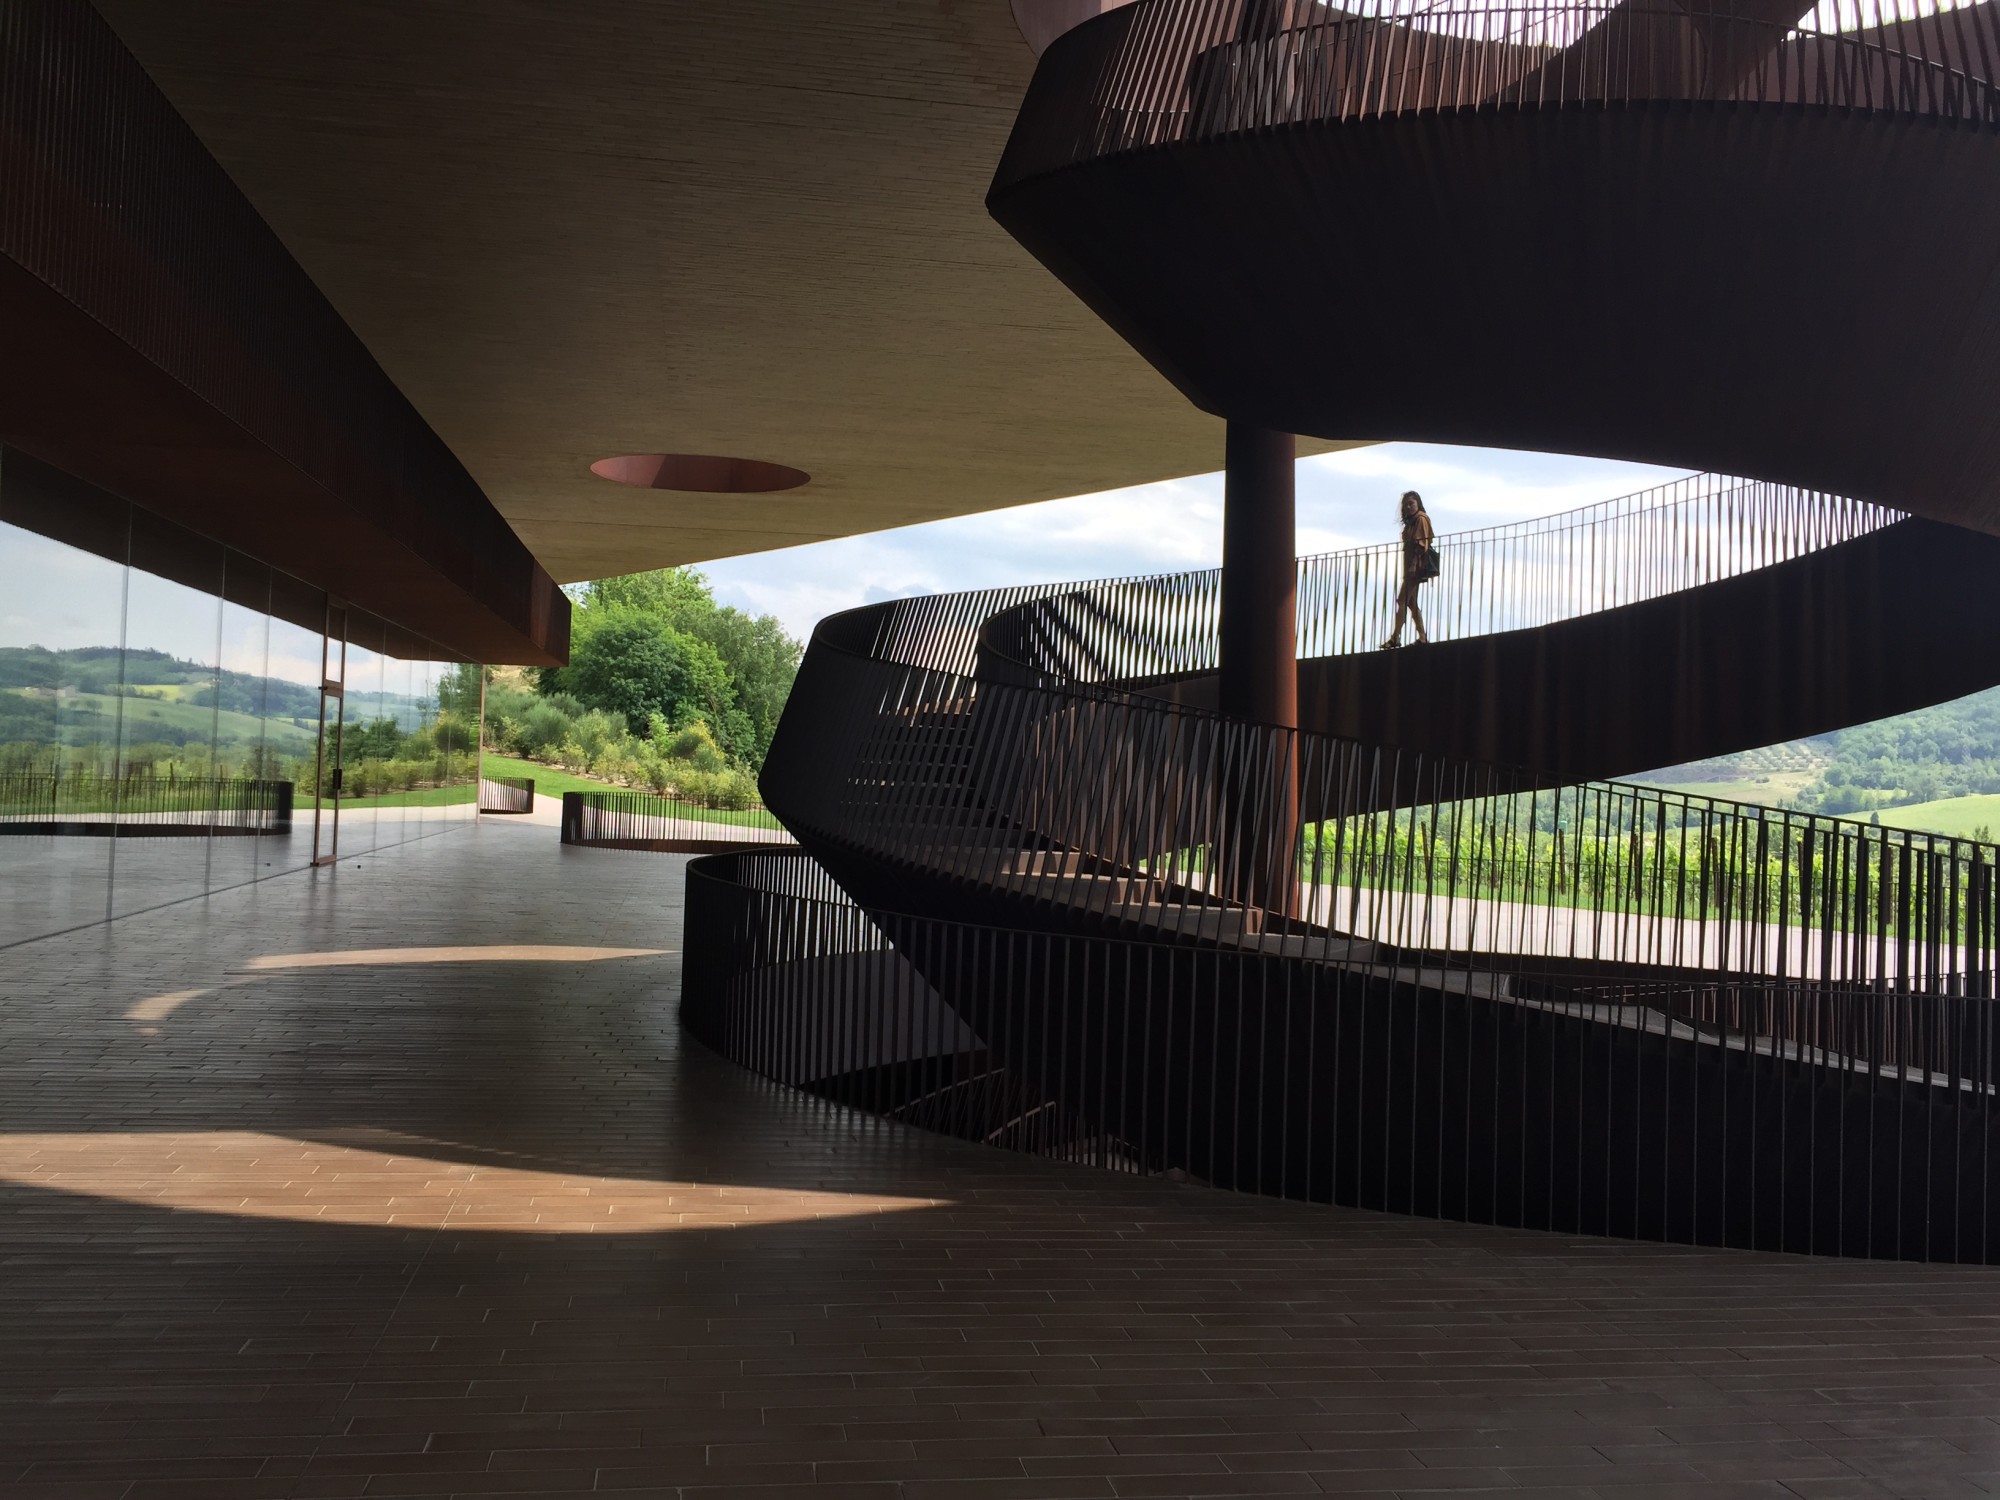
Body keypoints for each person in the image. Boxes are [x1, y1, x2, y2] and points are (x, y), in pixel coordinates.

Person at [1380, 490, 1433, 649]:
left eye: (1411, 503)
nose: (1408, 507)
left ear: (1418, 503)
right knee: (1410, 602)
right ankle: (1422, 636)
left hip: (1414, 568)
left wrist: (1413, 566)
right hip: (1411, 567)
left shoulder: (1420, 519)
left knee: (1402, 600)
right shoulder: (1413, 521)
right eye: (1406, 505)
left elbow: (1420, 545)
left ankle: (1395, 637)